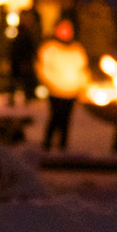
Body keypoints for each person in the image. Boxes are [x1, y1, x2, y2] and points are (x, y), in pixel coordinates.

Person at [36, 19, 90, 151]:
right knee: (55, 117)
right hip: (55, 90)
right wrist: (51, 83)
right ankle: (47, 143)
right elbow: (43, 69)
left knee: (66, 119)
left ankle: (62, 144)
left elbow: (82, 69)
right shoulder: (49, 48)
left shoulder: (77, 49)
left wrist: (83, 85)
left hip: (71, 91)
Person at [9, 7, 42, 103]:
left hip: (23, 62)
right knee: (22, 82)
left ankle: (27, 100)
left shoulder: (28, 33)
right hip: (22, 62)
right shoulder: (24, 34)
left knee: (23, 82)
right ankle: (26, 100)